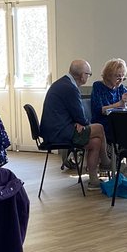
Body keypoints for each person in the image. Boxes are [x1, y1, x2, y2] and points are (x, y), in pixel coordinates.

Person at [39, 60, 109, 189]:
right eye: (89, 74)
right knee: (99, 128)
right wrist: (82, 123)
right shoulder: (70, 88)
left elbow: (73, 114)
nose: (88, 77)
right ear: (82, 75)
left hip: (52, 131)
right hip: (59, 133)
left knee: (96, 142)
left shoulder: (62, 84)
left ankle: (94, 181)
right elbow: (81, 117)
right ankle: (105, 162)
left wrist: (80, 122)